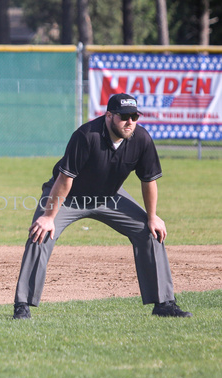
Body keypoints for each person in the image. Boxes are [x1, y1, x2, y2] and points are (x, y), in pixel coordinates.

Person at [13, 93, 192, 319]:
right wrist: (49, 217)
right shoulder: (87, 136)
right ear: (109, 116)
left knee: (150, 232)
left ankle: (164, 304)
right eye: (124, 116)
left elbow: (149, 181)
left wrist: (153, 216)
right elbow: (65, 179)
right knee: (41, 233)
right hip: (69, 196)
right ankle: (23, 305)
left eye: (134, 116)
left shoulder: (141, 139)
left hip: (109, 196)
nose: (130, 122)